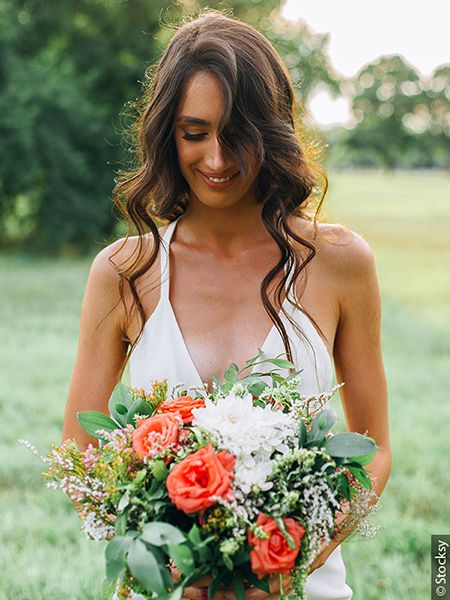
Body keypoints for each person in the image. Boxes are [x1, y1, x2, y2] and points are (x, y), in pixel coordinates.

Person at [61, 9, 392, 600]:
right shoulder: (123, 272)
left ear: (273, 131)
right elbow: (77, 448)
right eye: (195, 133)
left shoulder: (340, 261)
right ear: (168, 134)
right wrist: (161, 559)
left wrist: (290, 561)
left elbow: (375, 449)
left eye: (238, 134)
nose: (217, 159)